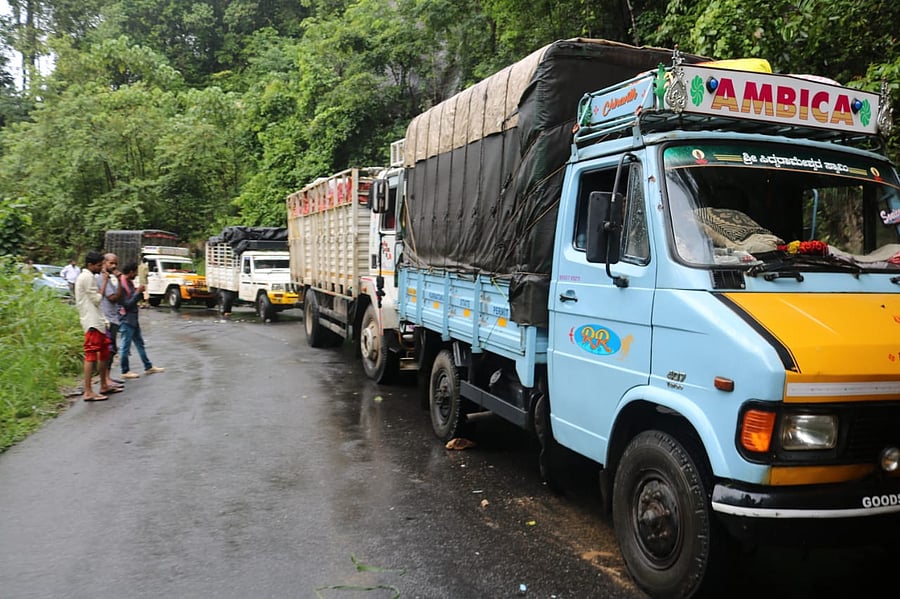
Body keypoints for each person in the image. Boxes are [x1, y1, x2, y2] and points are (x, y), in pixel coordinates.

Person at [74, 251, 122, 401]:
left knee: (104, 352)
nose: (101, 268)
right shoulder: (87, 277)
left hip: (99, 321)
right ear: (90, 265)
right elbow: (96, 299)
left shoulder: (89, 276)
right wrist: (105, 282)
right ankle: (88, 391)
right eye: (99, 265)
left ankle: (103, 385)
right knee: (91, 355)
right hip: (92, 322)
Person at [118, 262, 165, 379]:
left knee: (140, 344)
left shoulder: (128, 282)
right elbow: (127, 304)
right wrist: (137, 293)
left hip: (133, 319)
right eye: (135, 273)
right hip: (126, 319)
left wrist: (137, 293)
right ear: (131, 272)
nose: (136, 275)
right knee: (125, 346)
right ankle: (125, 371)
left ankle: (148, 366)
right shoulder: (122, 285)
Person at [97, 253, 124, 386]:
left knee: (112, 350)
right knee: (109, 350)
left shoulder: (109, 278)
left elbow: (118, 296)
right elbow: (113, 297)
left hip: (113, 318)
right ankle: (105, 379)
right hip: (108, 318)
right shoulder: (102, 279)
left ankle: (107, 378)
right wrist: (119, 280)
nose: (114, 266)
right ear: (104, 263)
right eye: (111, 263)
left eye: (115, 264)